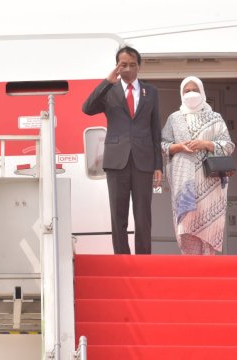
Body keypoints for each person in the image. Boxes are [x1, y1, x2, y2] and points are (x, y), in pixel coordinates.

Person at [82, 46, 162, 255]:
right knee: (118, 215)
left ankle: (144, 259)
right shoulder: (110, 91)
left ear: (139, 67)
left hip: (143, 161)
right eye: (123, 65)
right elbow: (87, 108)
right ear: (117, 66)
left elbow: (155, 130)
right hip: (116, 161)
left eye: (132, 65)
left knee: (143, 214)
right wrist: (107, 81)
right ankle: (121, 260)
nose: (128, 69)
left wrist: (158, 165)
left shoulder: (150, 92)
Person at [161, 76, 235, 255]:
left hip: (209, 182)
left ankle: (208, 269)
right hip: (183, 182)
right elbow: (163, 145)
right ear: (181, 94)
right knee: (186, 225)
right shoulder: (174, 119)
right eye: (187, 91)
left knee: (208, 223)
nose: (191, 94)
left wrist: (205, 144)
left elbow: (228, 146)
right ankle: (191, 268)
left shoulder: (215, 118)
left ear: (202, 92)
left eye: (195, 90)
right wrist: (179, 147)